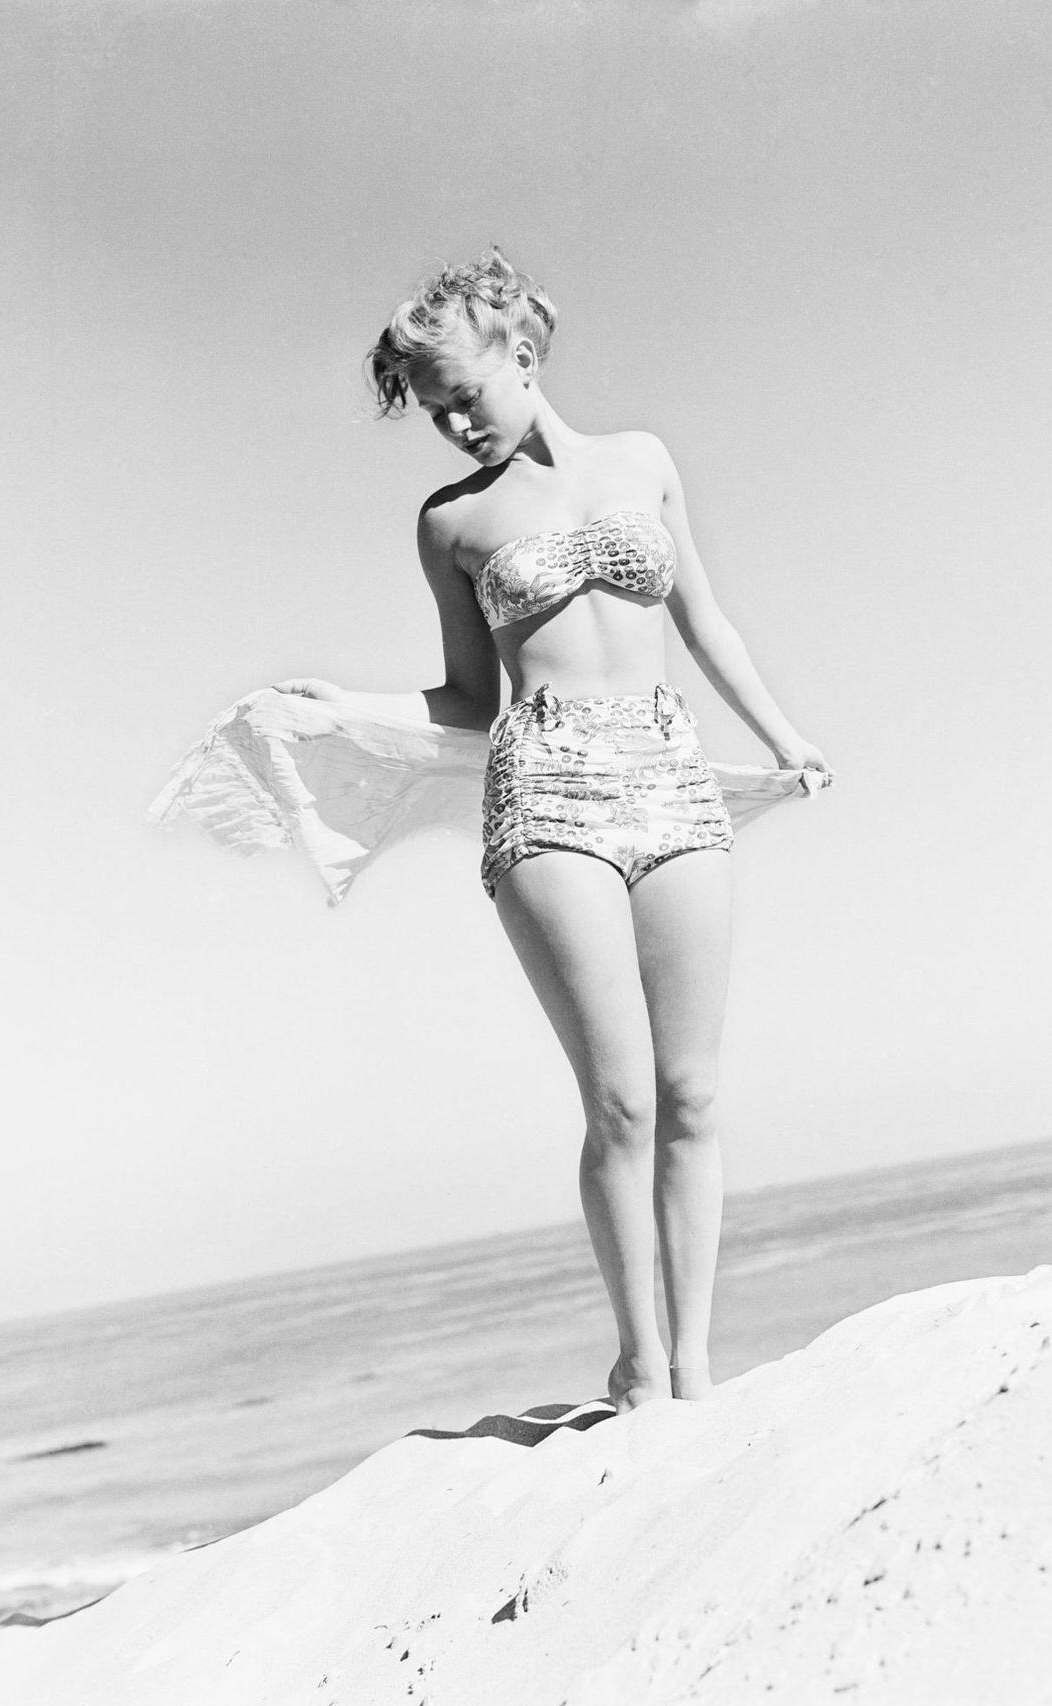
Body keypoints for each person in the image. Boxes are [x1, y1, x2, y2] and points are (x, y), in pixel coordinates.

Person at [277, 248, 829, 1412]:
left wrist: (781, 735)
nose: (453, 426)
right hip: (543, 794)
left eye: (463, 396)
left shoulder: (642, 461)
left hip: (668, 773)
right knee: (621, 1100)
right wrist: (341, 704)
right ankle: (639, 1362)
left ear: (520, 357)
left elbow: (705, 617)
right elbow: (465, 698)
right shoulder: (451, 524)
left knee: (691, 1096)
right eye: (433, 416)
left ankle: (696, 1366)